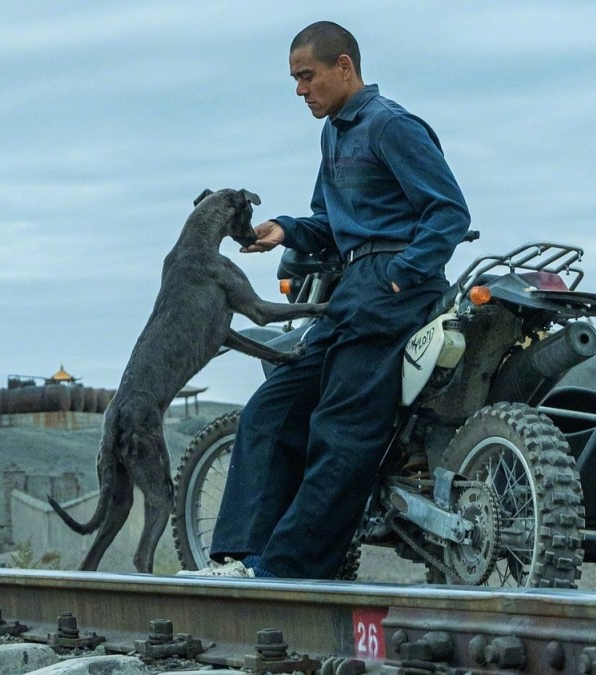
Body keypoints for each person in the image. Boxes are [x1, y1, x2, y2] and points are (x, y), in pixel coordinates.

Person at [197, 21, 470, 579]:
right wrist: (286, 230)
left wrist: (401, 274)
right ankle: (242, 558)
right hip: (348, 290)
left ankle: (288, 572)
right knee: (272, 408)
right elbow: (328, 222)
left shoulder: (390, 125)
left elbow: (449, 212)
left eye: (307, 76)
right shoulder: (334, 132)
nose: (300, 90)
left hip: (393, 292)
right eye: (295, 79)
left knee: (341, 428)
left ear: (343, 66)